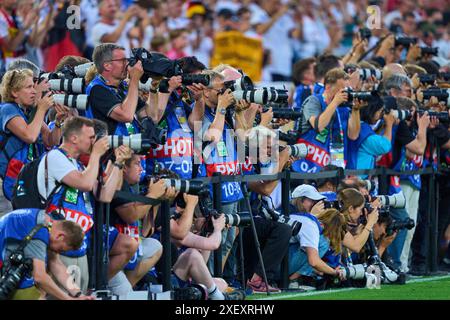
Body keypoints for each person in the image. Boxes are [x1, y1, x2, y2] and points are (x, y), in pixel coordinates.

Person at [36, 116, 135, 294]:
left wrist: (118, 162)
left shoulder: (78, 165)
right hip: (59, 243)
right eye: (90, 137)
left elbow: (105, 195)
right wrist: (96, 154)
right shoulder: (55, 157)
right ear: (74, 138)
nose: (93, 141)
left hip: (79, 246)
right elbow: (85, 184)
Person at [0, 69, 66, 201]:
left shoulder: (28, 111)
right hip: (10, 180)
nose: (34, 91)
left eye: (33, 86)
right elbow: (29, 136)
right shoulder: (8, 109)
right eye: (29, 87)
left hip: (28, 177)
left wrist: (58, 122)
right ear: (14, 92)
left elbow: (50, 141)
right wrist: (41, 109)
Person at [0, 208, 94, 300]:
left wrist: (79, 294)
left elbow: (56, 264)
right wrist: (68, 298)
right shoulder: (40, 231)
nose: (59, 252)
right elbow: (39, 277)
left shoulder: (49, 223)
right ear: (60, 236)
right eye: (61, 249)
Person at [293, 68, 362, 173]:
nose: (344, 93)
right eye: (342, 89)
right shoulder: (314, 101)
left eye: (347, 89)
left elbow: (353, 135)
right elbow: (318, 126)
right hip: (305, 166)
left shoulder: (343, 108)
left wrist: (356, 109)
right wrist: (335, 102)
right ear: (328, 87)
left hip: (329, 164)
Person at [288, 184, 346, 288]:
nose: (315, 205)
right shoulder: (307, 221)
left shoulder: (288, 211)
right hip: (279, 267)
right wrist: (334, 272)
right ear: (300, 201)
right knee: (323, 242)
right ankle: (292, 280)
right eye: (312, 201)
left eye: (317, 202)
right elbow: (314, 261)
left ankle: (292, 279)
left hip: (270, 266)